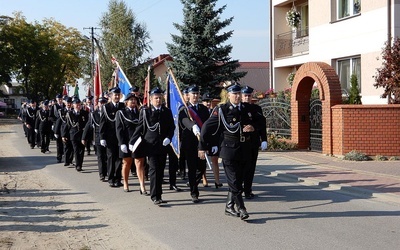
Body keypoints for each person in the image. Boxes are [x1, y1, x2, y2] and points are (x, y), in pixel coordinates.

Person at [198, 83, 263, 220]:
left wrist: (253, 127)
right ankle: (242, 208)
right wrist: (202, 147)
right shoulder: (222, 110)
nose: (238, 96)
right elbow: (206, 128)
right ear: (228, 95)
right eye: (235, 94)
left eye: (239, 93)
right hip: (229, 150)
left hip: (244, 149)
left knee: (237, 180)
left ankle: (229, 205)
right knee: (234, 180)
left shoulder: (247, 108)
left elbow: (261, 121)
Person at [129, 87, 175, 205]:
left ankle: (159, 194)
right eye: (156, 98)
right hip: (150, 145)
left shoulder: (166, 111)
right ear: (151, 99)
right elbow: (140, 127)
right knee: (154, 170)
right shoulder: (146, 111)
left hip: (163, 145)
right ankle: (155, 196)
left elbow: (171, 127)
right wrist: (132, 141)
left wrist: (169, 138)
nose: (158, 100)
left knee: (160, 170)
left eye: (160, 97)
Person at [178, 85, 210, 203]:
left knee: (202, 167)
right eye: (193, 94)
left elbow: (207, 124)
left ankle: (193, 182)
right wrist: (193, 126)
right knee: (192, 168)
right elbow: (184, 120)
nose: (195, 96)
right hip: (190, 143)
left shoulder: (203, 109)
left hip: (201, 142)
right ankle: (194, 192)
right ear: (189, 95)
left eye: (197, 93)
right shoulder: (184, 109)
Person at [240, 86, 268, 199]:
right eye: (245, 95)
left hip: (253, 142)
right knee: (241, 167)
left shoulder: (256, 109)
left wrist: (264, 139)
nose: (247, 97)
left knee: (251, 167)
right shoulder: (239, 108)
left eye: (249, 95)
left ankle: (247, 190)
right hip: (241, 143)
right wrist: (244, 127)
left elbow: (262, 124)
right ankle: (238, 189)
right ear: (241, 96)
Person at [115, 93, 142, 193]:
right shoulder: (121, 113)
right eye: (131, 100)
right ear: (126, 102)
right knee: (127, 163)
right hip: (126, 141)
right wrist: (122, 143)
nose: (133, 101)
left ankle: (142, 185)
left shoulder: (139, 112)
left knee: (139, 163)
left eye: (134, 99)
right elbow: (119, 129)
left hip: (137, 141)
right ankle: (126, 183)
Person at [100, 87, 125, 187]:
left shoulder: (123, 106)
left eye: (118, 95)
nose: (117, 96)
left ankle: (118, 178)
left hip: (120, 137)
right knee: (111, 158)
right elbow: (102, 123)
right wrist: (102, 137)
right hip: (110, 137)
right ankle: (111, 178)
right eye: (115, 95)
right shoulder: (106, 107)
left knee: (119, 158)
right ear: (111, 96)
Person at [82, 97, 108, 181]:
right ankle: (102, 174)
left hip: (108, 137)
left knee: (108, 156)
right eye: (101, 102)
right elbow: (88, 126)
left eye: (104, 102)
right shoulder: (93, 114)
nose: (103, 104)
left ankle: (108, 171)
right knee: (100, 157)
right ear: (98, 104)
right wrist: (84, 137)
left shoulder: (109, 112)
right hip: (98, 137)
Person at [202, 92, 223, 188]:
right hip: (203, 139)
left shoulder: (214, 111)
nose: (208, 103)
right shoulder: (200, 112)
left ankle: (217, 181)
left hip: (214, 139)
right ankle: (204, 178)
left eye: (209, 101)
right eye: (206, 101)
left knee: (215, 159)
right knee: (203, 160)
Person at [62, 98, 89, 172]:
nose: (78, 106)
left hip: (82, 135)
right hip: (73, 135)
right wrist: (64, 135)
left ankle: (80, 164)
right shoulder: (70, 114)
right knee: (76, 150)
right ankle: (78, 165)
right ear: (73, 105)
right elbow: (67, 125)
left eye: (79, 104)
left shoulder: (85, 113)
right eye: (76, 104)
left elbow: (87, 125)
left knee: (82, 150)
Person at [54, 97, 74, 166]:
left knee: (72, 147)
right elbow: (58, 122)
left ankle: (70, 160)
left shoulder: (74, 111)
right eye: (68, 103)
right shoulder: (61, 111)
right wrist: (56, 132)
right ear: (65, 103)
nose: (69, 104)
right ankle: (66, 161)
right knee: (66, 146)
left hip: (72, 131)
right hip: (64, 131)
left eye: (70, 103)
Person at [177, 87, 189, 180]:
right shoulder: (180, 107)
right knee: (182, 155)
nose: (187, 96)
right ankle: (182, 171)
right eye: (185, 95)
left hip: (190, 134)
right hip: (182, 133)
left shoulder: (190, 107)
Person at [50, 94, 65, 163]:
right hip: (58, 126)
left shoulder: (65, 105)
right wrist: (55, 122)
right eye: (58, 99)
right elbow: (50, 116)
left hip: (65, 126)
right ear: (56, 99)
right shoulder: (54, 107)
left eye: (61, 99)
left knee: (65, 142)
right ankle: (59, 157)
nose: (60, 100)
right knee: (59, 143)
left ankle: (66, 156)